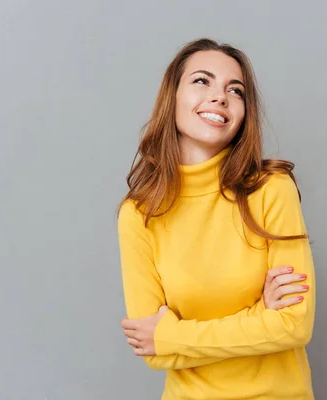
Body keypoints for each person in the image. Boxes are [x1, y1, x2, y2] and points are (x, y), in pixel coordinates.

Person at [117, 38, 316, 399]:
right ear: (172, 97)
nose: (220, 97)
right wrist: (259, 316)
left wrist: (172, 335)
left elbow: (294, 326)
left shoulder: (271, 189)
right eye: (201, 81)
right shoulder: (139, 213)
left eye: (235, 90)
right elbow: (150, 350)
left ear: (244, 112)